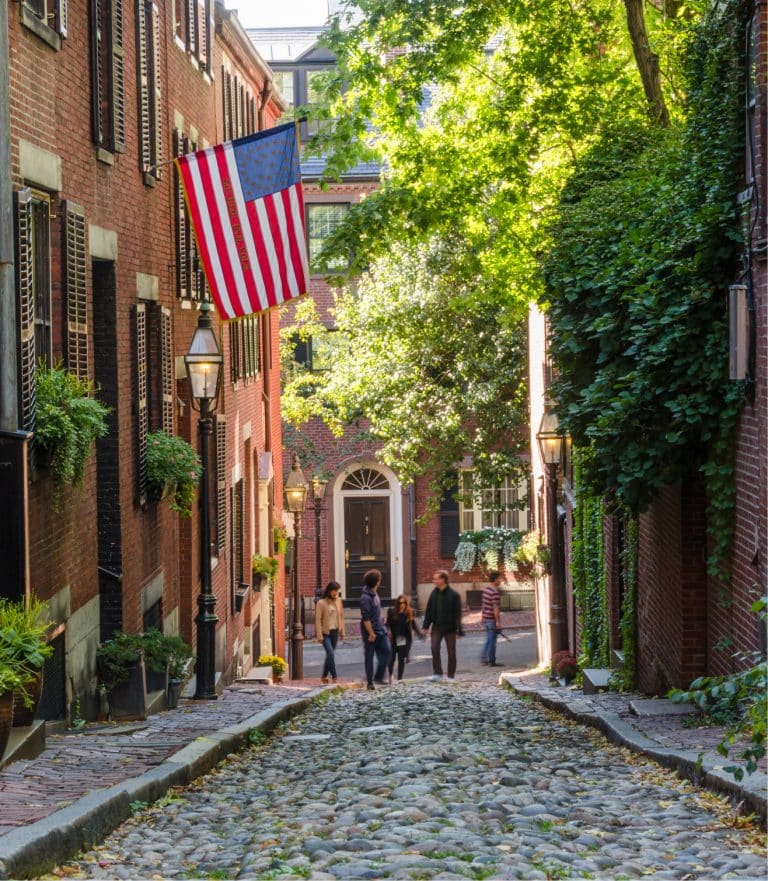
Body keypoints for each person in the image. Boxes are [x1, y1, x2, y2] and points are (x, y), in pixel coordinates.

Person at [422, 570, 463, 682]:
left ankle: (451, 676)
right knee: (434, 648)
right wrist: (426, 626)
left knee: (451, 652)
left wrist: (459, 630)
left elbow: (457, 614)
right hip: (437, 627)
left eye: (436, 578)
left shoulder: (454, 595)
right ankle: (437, 673)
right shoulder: (434, 593)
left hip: (450, 628)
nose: (434, 581)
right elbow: (429, 610)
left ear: (443, 579)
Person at [359, 569, 391, 690]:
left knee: (387, 650)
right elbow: (366, 618)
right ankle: (370, 682)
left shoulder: (375, 593)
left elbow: (376, 610)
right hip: (370, 631)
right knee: (369, 656)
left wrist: (382, 620)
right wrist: (371, 633)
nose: (380, 580)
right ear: (376, 581)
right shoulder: (365, 598)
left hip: (380, 628)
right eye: (379, 579)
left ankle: (378, 676)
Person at [386, 595, 423, 682]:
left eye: (403, 603)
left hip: (402, 638)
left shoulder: (409, 612)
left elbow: (413, 625)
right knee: (391, 659)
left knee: (401, 659)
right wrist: (388, 631)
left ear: (406, 603)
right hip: (394, 638)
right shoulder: (391, 611)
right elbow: (387, 624)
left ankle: (400, 679)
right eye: (399, 603)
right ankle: (391, 674)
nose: (401, 604)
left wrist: (420, 634)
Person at [315, 581, 345, 684]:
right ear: (329, 590)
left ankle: (324, 676)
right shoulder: (321, 603)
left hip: (335, 632)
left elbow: (341, 616)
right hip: (325, 633)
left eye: (337, 590)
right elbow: (318, 620)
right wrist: (319, 635)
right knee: (331, 653)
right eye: (334, 590)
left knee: (329, 655)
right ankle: (334, 677)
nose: (335, 593)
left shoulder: (339, 601)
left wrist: (342, 632)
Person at [480, 570, 503, 667]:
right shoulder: (494, 592)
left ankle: (484, 658)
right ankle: (491, 661)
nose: (501, 580)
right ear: (496, 579)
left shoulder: (486, 590)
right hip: (491, 620)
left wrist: (482, 617)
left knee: (489, 640)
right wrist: (498, 622)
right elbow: (496, 609)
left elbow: (484, 605)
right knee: (492, 641)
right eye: (500, 578)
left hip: (486, 618)